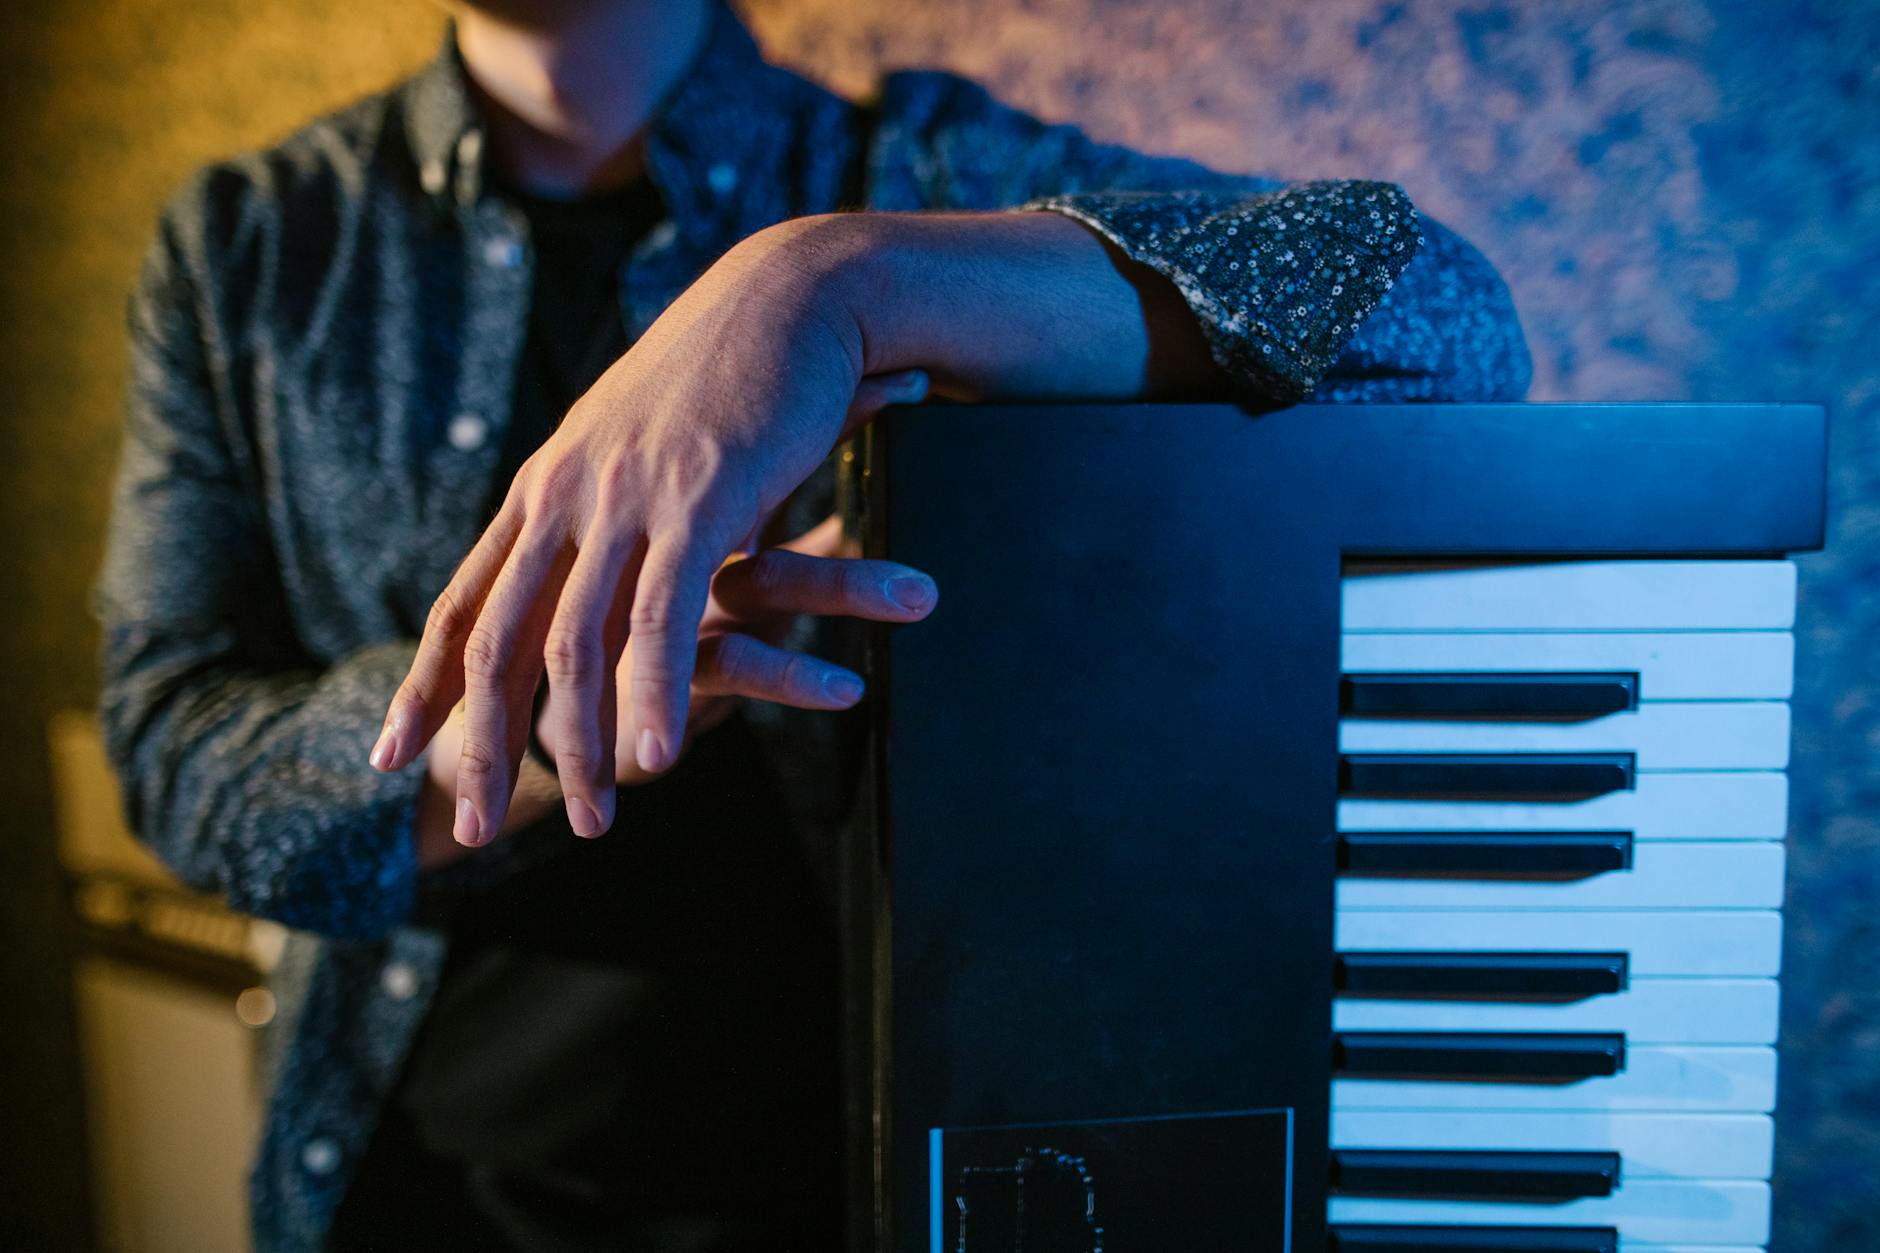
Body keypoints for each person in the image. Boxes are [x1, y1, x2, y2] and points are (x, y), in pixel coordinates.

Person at [95, 0, 1532, 1249]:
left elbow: (1449, 333)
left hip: (849, 1182)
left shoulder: (919, 179)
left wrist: (831, 280)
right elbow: (175, 761)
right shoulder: (249, 244)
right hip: (421, 1186)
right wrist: (544, 705)